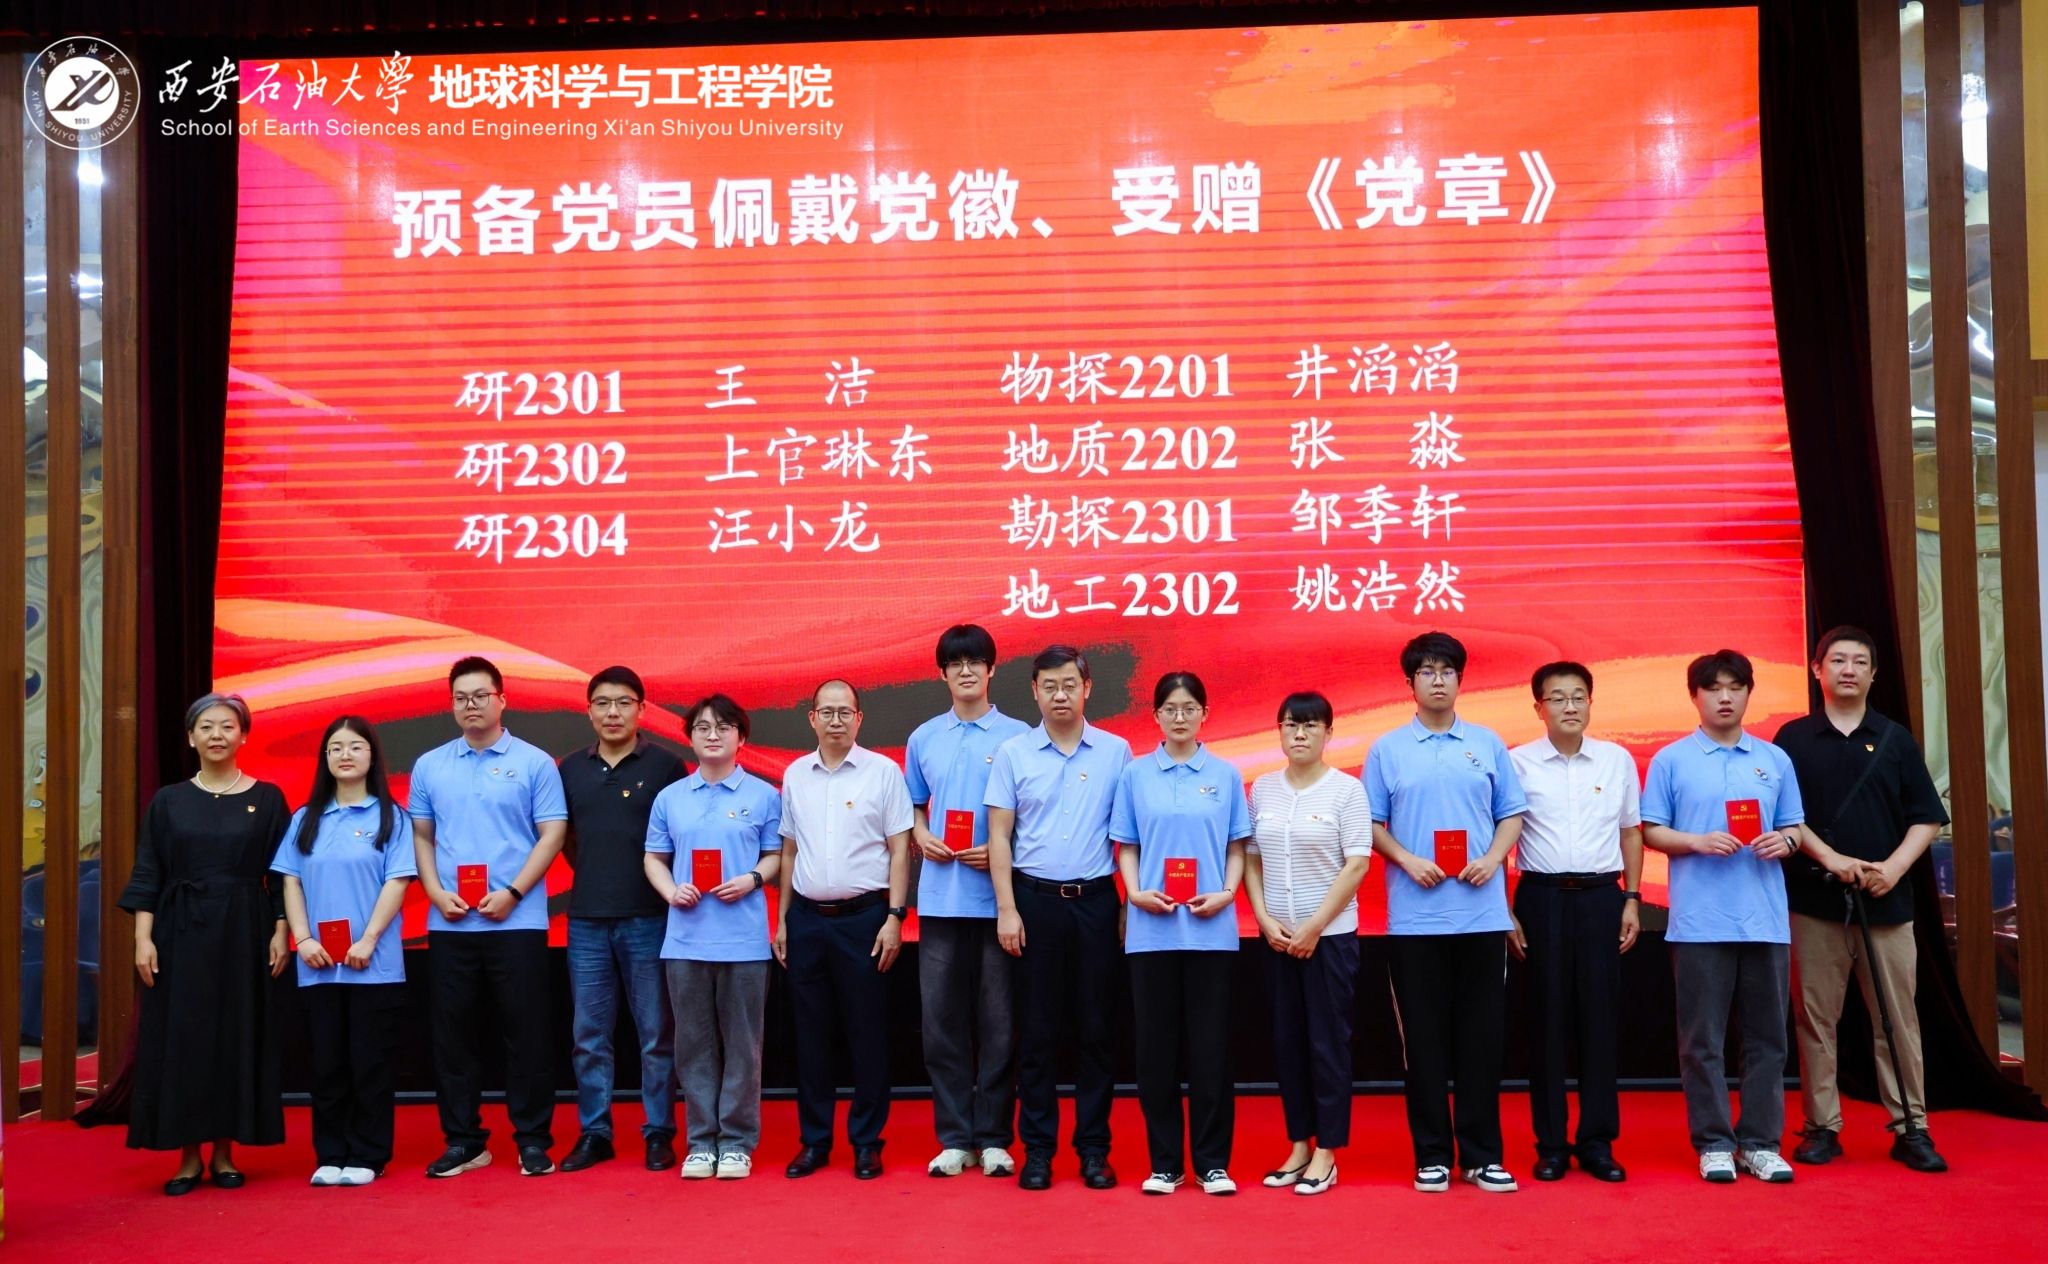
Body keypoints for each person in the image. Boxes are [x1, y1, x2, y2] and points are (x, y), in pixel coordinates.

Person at [1641, 648, 1865, 1184]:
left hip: (1764, 920)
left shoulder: (1774, 759)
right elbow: (1650, 830)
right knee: (1702, 1042)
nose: (1725, 697)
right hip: (1699, 923)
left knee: (1768, 1039)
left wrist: (1784, 842)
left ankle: (1760, 1143)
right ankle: (1714, 1142)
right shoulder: (1672, 759)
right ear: (1694, 696)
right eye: (1713, 688)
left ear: (1747, 694)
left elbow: (1793, 827)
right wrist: (1696, 841)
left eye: (1735, 687)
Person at [1774, 626, 1950, 1172]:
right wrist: (1832, 859)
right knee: (1815, 1021)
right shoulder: (1792, 739)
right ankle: (1821, 1126)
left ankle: (1911, 1127)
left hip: (1886, 904)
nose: (1848, 669)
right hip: (1815, 903)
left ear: (1874, 674)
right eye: (1837, 660)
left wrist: (1892, 870)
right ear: (1816, 670)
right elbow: (1784, 817)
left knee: (1897, 1021)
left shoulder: (1895, 739)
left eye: (1859, 662)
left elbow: (1927, 818)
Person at [1366, 632, 1526, 1195]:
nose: (1438, 680)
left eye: (1447, 671)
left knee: (1482, 1039)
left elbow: (1511, 814)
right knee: (1424, 1041)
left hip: (1481, 916)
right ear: (1409, 683)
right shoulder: (1388, 749)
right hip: (1415, 920)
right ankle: (1432, 1154)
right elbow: (1371, 824)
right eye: (1427, 672)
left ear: (1461, 679)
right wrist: (1408, 860)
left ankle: (1483, 1155)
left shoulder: (1486, 743)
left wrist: (1492, 858)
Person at [119, 692, 291, 1195]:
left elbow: (284, 875)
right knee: (184, 1038)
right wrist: (143, 938)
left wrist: (282, 930)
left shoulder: (269, 798)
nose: (217, 735)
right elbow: (149, 871)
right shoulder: (169, 800)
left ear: (244, 736)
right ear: (191, 737)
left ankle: (225, 1153)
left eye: (228, 726)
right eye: (207, 727)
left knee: (235, 1034)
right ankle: (188, 1157)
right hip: (180, 932)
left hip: (245, 930)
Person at [410, 656, 569, 1178]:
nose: (471, 705)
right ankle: (464, 1141)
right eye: (461, 698)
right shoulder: (430, 765)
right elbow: (422, 836)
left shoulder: (534, 763)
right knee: (453, 1036)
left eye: (480, 696)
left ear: (502, 699)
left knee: (527, 1033)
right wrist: (434, 892)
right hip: (451, 921)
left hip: (517, 920)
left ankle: (532, 1139)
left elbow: (552, 834)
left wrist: (515, 892)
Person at [987, 644, 1134, 1192]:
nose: (1060, 695)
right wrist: (1007, 908)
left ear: (1087, 687)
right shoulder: (1013, 753)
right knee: (1038, 1032)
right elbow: (999, 836)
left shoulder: (1116, 752)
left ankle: (1094, 1150)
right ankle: (1039, 1151)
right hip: (1035, 903)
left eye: (1070, 684)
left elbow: (1129, 836)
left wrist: (1127, 903)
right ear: (1034, 691)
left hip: (1096, 902)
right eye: (1049, 686)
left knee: (1097, 1030)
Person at [1111, 672, 1251, 1197]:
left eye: (1189, 708)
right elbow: (1126, 845)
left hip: (1211, 932)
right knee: (1156, 1053)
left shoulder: (1226, 775)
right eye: (1170, 708)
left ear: (1204, 714)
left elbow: (1237, 846)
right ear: (1155, 716)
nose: (1179, 717)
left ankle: (1212, 1164)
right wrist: (1134, 893)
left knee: (1211, 1051)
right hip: (1152, 931)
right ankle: (1165, 1164)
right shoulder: (1135, 774)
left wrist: (1227, 893)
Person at [1506, 662, 1642, 1183]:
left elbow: (1631, 832)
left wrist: (1631, 899)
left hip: (1601, 897)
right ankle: (1552, 1144)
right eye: (1557, 698)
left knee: (1600, 1020)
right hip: (1540, 898)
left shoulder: (1616, 760)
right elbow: (1500, 841)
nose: (1569, 706)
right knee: (1545, 1022)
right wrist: (1505, 911)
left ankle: (1597, 1142)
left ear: (1590, 703)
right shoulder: (1517, 763)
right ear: (1537, 707)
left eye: (1578, 696)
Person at [903, 625, 1030, 1178]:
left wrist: (1002, 851)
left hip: (999, 901)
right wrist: (920, 833)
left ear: (992, 669)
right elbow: (912, 805)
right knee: (942, 1023)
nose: (966, 671)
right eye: (955, 664)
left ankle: (996, 1137)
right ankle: (955, 1137)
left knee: (1000, 1022)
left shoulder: (1020, 736)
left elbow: (1032, 814)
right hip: (940, 900)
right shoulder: (923, 737)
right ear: (942, 674)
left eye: (975, 661)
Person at [774, 680, 913, 1180]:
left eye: (845, 712)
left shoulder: (883, 772)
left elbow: (901, 849)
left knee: (867, 1033)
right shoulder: (795, 774)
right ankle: (814, 1141)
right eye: (826, 712)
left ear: (859, 718)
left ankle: (867, 1142)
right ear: (812, 718)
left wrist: (895, 917)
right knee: (810, 1036)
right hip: (807, 920)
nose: (836, 720)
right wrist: (783, 920)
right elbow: (790, 851)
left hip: (866, 920)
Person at [272, 715, 416, 1187]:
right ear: (325, 759)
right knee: (327, 1064)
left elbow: (397, 882)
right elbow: (290, 881)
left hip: (373, 964)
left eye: (355, 746)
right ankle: (331, 1153)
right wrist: (302, 939)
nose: (345, 755)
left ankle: (368, 1155)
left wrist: (368, 939)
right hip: (318, 965)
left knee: (369, 1063)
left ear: (372, 756)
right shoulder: (305, 818)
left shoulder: (392, 817)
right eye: (335, 748)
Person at [644, 694, 782, 1181]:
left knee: (744, 1045)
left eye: (724, 727)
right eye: (702, 727)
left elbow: (776, 855)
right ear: (690, 737)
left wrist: (752, 879)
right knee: (692, 1044)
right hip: (685, 941)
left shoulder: (764, 795)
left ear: (741, 738)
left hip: (744, 942)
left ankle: (738, 1142)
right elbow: (653, 858)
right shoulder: (671, 798)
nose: (712, 735)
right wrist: (671, 890)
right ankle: (701, 1141)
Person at [557, 666, 689, 1174]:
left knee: (656, 1033)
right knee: (589, 1035)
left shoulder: (667, 767)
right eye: (603, 703)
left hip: (650, 917)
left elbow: (679, 839)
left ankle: (659, 1132)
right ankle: (595, 1133)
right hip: (587, 919)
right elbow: (566, 840)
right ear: (589, 711)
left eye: (624, 703)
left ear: (641, 710)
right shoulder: (570, 769)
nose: (613, 712)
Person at [1243, 690, 1370, 1196]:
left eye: (1311, 725)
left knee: (1327, 1044)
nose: (1299, 734)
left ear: (1328, 733)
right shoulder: (1263, 789)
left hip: (1329, 940)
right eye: (1291, 725)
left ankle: (1327, 1152)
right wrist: (1262, 918)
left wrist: (1314, 926)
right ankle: (1298, 1144)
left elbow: (1356, 865)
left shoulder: (1346, 791)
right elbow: (1252, 858)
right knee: (1287, 1043)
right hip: (1277, 939)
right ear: (1278, 731)